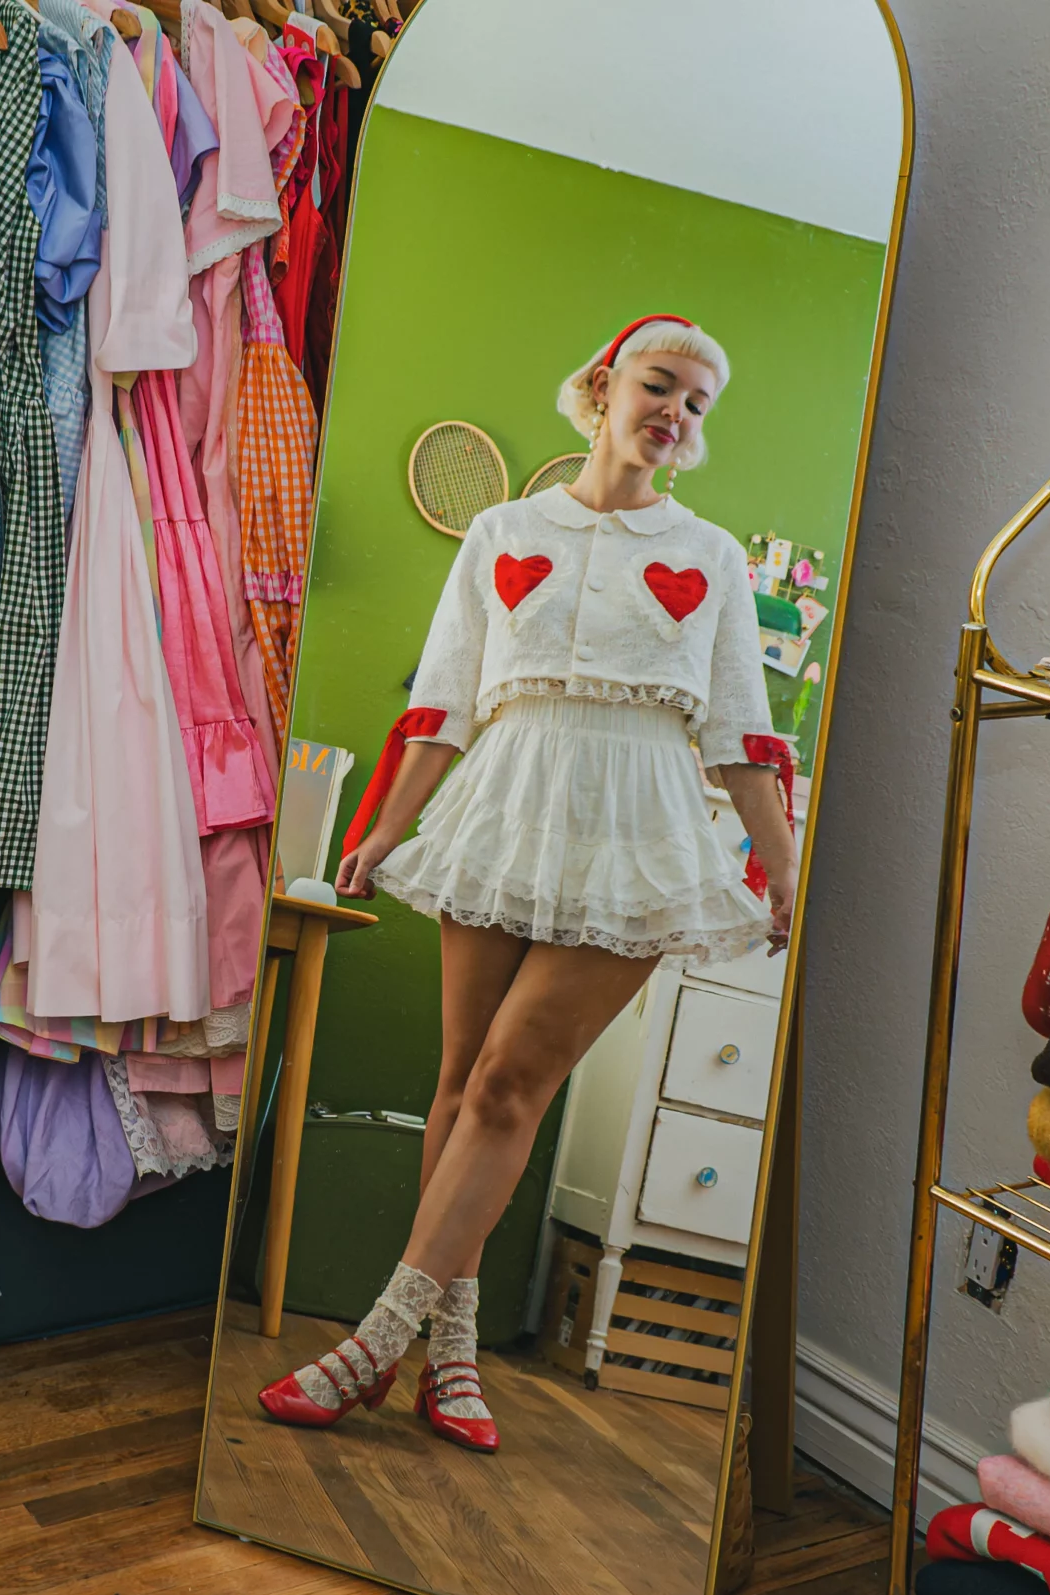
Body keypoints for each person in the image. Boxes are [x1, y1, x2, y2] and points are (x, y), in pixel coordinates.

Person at [256, 314, 799, 1455]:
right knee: (458, 1083)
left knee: (510, 1081)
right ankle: (451, 1358)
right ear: (603, 386)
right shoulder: (503, 533)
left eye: (698, 403)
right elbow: (442, 701)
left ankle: (372, 1341)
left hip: (635, 829)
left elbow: (745, 731)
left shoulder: (707, 557)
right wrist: (381, 829)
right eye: (661, 386)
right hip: (507, 806)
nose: (677, 413)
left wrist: (782, 864)